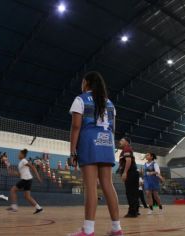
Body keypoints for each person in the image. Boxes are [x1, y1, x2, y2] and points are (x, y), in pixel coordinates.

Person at [68, 71, 122, 236]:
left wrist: (72, 152)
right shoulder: (111, 103)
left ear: (86, 83)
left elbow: (76, 127)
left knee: (91, 186)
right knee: (108, 185)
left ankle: (89, 230)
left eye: (82, 82)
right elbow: (113, 128)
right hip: (107, 143)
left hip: (89, 143)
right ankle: (116, 228)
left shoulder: (81, 99)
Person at [6, 149, 43, 214]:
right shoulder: (20, 163)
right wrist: (12, 173)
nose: (18, 155)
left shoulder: (24, 160)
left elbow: (33, 167)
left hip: (26, 179)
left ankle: (14, 207)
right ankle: (39, 208)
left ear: (22, 155)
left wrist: (38, 177)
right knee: (27, 196)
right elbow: (20, 174)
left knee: (13, 190)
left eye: (19, 153)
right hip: (28, 179)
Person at [118, 137, 139, 218]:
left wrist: (125, 172)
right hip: (133, 173)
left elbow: (128, 160)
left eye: (122, 140)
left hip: (131, 173)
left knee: (130, 193)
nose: (120, 141)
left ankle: (132, 212)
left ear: (127, 142)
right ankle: (135, 211)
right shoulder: (126, 149)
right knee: (134, 193)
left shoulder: (127, 149)